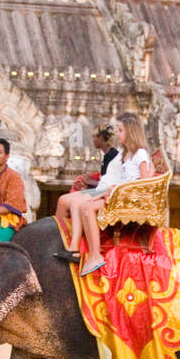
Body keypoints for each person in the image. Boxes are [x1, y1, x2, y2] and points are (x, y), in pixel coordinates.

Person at [55, 111, 154, 276]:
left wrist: (115, 190)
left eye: (120, 130)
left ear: (131, 131)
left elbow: (143, 183)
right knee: (81, 205)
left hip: (126, 199)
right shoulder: (128, 154)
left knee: (86, 208)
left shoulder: (139, 154)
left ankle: (95, 255)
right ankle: (73, 247)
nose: (116, 133)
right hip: (117, 193)